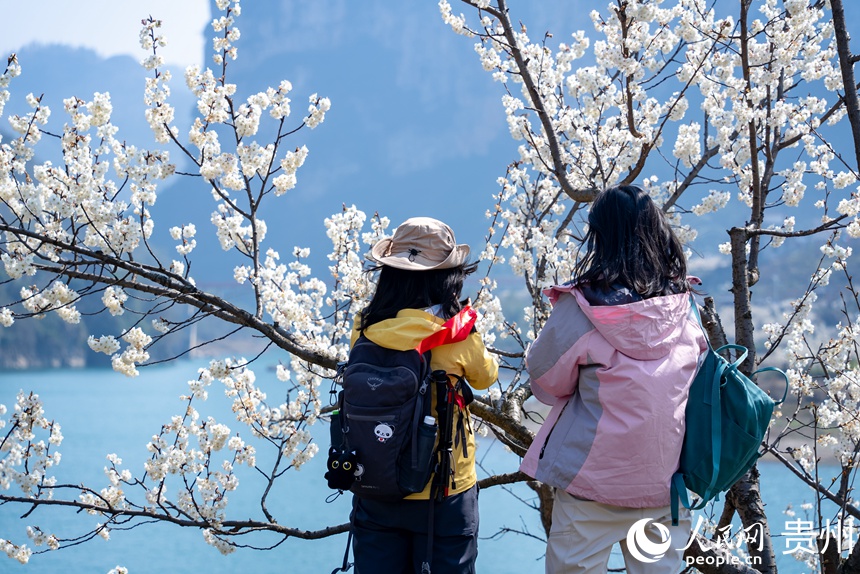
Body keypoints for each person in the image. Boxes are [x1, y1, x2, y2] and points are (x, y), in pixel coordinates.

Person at [519, 185, 708, 573]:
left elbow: (544, 379)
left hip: (592, 483)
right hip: (662, 481)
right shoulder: (682, 304)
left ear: (599, 235)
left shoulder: (585, 306)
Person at [349, 216, 498, 574]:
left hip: (375, 483)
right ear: (447, 278)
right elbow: (486, 377)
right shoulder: (457, 335)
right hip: (444, 491)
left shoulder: (364, 329)